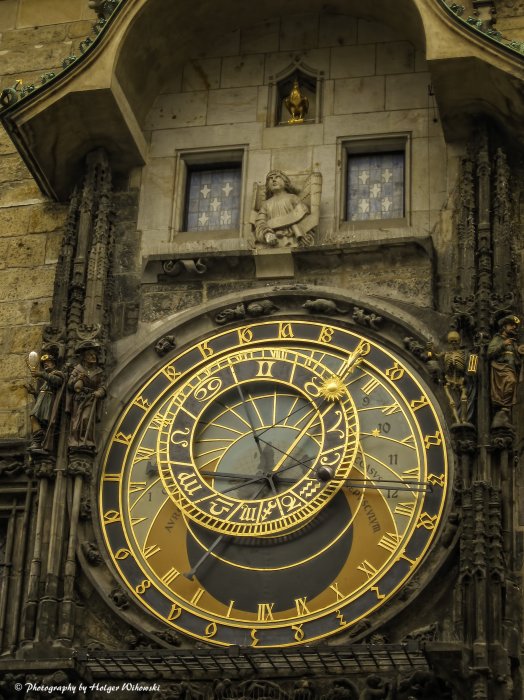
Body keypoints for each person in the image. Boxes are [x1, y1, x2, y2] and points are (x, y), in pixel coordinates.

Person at [66, 341, 106, 451]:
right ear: (84, 357)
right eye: (90, 354)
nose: (93, 356)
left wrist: (99, 392)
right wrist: (78, 378)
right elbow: (69, 384)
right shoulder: (78, 369)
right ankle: (75, 441)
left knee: (86, 418)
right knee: (76, 421)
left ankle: (87, 440)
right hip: (78, 399)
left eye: (94, 354)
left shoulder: (99, 371)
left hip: (91, 398)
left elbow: (103, 386)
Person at [254, 170, 309, 247]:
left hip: (293, 240)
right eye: (270, 178)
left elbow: (304, 217)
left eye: (277, 177)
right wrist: (267, 234)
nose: (273, 179)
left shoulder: (293, 198)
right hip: (273, 242)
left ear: (285, 182)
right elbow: (260, 222)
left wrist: (303, 235)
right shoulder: (266, 204)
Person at [487, 315, 524, 427]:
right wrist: (503, 344)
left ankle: (504, 412)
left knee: (512, 384)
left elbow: (515, 358)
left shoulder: (513, 342)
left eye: (515, 326)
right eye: (511, 325)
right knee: (510, 382)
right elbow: (490, 353)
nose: (514, 327)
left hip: (511, 369)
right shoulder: (498, 339)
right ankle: (501, 410)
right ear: (504, 326)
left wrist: (520, 351)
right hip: (501, 370)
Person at [25, 353, 64, 453]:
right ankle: (38, 442)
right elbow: (42, 395)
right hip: (42, 402)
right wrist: (34, 392)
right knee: (34, 417)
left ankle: (39, 442)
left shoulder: (57, 373)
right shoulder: (46, 379)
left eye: (48, 362)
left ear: (54, 364)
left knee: (35, 417)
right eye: (44, 363)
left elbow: (57, 382)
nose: (46, 364)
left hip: (49, 404)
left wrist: (41, 374)